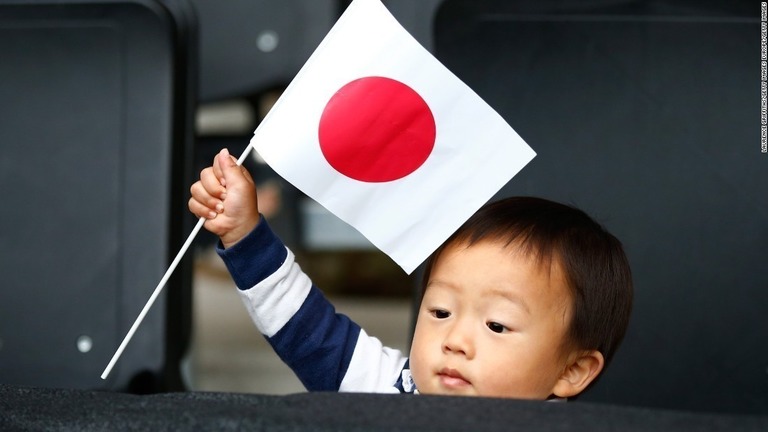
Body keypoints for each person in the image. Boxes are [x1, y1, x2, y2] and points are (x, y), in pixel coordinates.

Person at [189, 148, 633, 400]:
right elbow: (303, 326)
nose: (454, 340)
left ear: (572, 370)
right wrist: (246, 236)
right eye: (439, 311)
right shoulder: (385, 387)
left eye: (497, 324)